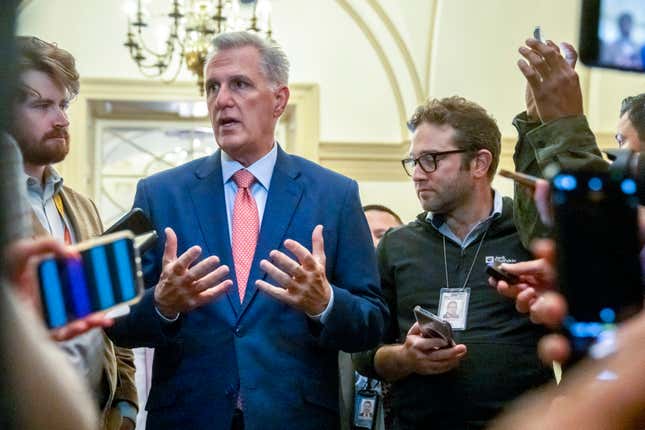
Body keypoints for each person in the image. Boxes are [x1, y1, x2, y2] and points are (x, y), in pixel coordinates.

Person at [106, 31, 387, 430]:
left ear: (279, 100)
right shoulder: (159, 194)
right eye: (212, 88)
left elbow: (371, 323)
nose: (221, 100)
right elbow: (116, 323)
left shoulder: (335, 195)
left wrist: (324, 302)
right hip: (188, 416)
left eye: (239, 84)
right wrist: (162, 305)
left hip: (295, 417)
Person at [354, 96, 553, 429]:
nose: (417, 175)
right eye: (413, 162)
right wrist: (405, 357)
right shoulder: (397, 244)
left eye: (430, 160)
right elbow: (364, 354)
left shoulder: (529, 236)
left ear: (479, 163)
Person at [9, 36, 138, 430]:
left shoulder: (83, 207)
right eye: (42, 105)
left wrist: (127, 405)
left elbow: (110, 315)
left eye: (63, 104)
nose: (62, 119)